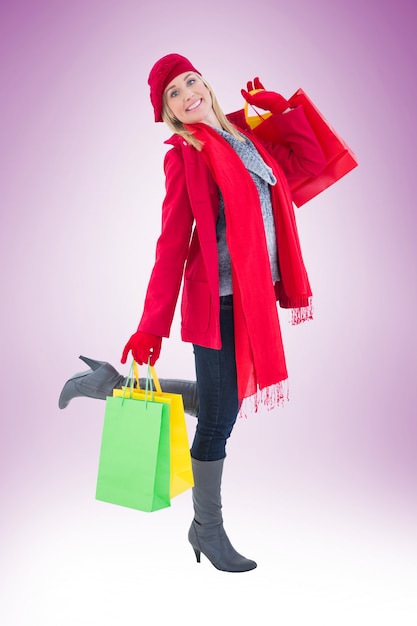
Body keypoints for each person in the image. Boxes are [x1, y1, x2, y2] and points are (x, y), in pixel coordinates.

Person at [59, 53, 326, 572]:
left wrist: (281, 113)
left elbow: (308, 166)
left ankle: (108, 385)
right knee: (219, 418)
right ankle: (206, 529)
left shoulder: (247, 138)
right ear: (170, 115)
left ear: (204, 81)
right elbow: (172, 244)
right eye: (173, 96)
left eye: (189, 82)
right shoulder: (187, 155)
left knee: (215, 401)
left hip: (251, 300)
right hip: (218, 301)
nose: (187, 94)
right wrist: (150, 324)